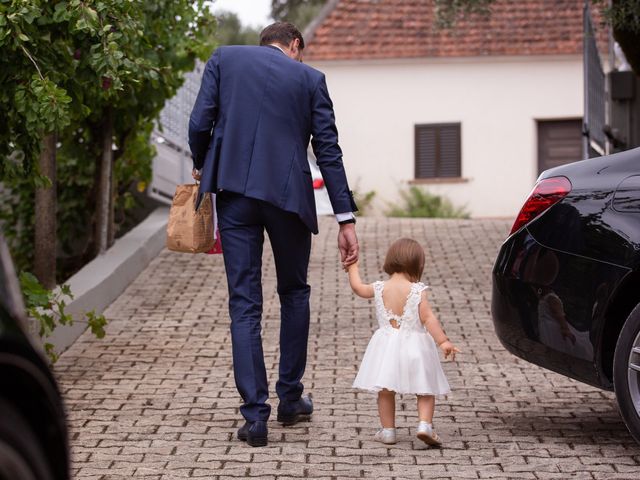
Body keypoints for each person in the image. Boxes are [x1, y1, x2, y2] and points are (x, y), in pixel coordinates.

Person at [188, 22, 359, 447]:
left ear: (265, 42)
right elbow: (328, 151)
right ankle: (290, 398)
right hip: (288, 198)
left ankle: (255, 416)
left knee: (244, 302)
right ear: (295, 45)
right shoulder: (310, 78)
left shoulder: (225, 59)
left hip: (234, 195)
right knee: (294, 292)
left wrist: (202, 163)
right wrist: (346, 218)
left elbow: (198, 122)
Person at [346, 238, 460, 446]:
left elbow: (358, 288)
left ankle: (388, 431)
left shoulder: (380, 287)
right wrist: (443, 341)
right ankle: (425, 425)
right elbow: (428, 318)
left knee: (385, 390)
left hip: (387, 346)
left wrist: (351, 265)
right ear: (418, 265)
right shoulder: (417, 290)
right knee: (425, 390)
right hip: (416, 346)